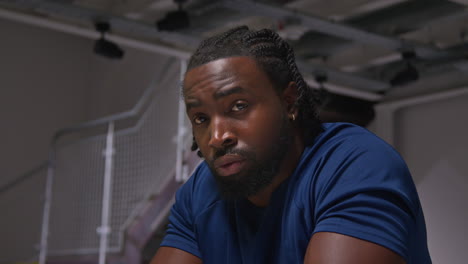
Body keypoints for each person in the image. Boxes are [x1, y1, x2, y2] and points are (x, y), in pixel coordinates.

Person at [151, 26, 431, 264]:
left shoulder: (355, 165)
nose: (217, 136)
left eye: (238, 106)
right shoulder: (200, 193)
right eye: (201, 118)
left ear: (288, 101)